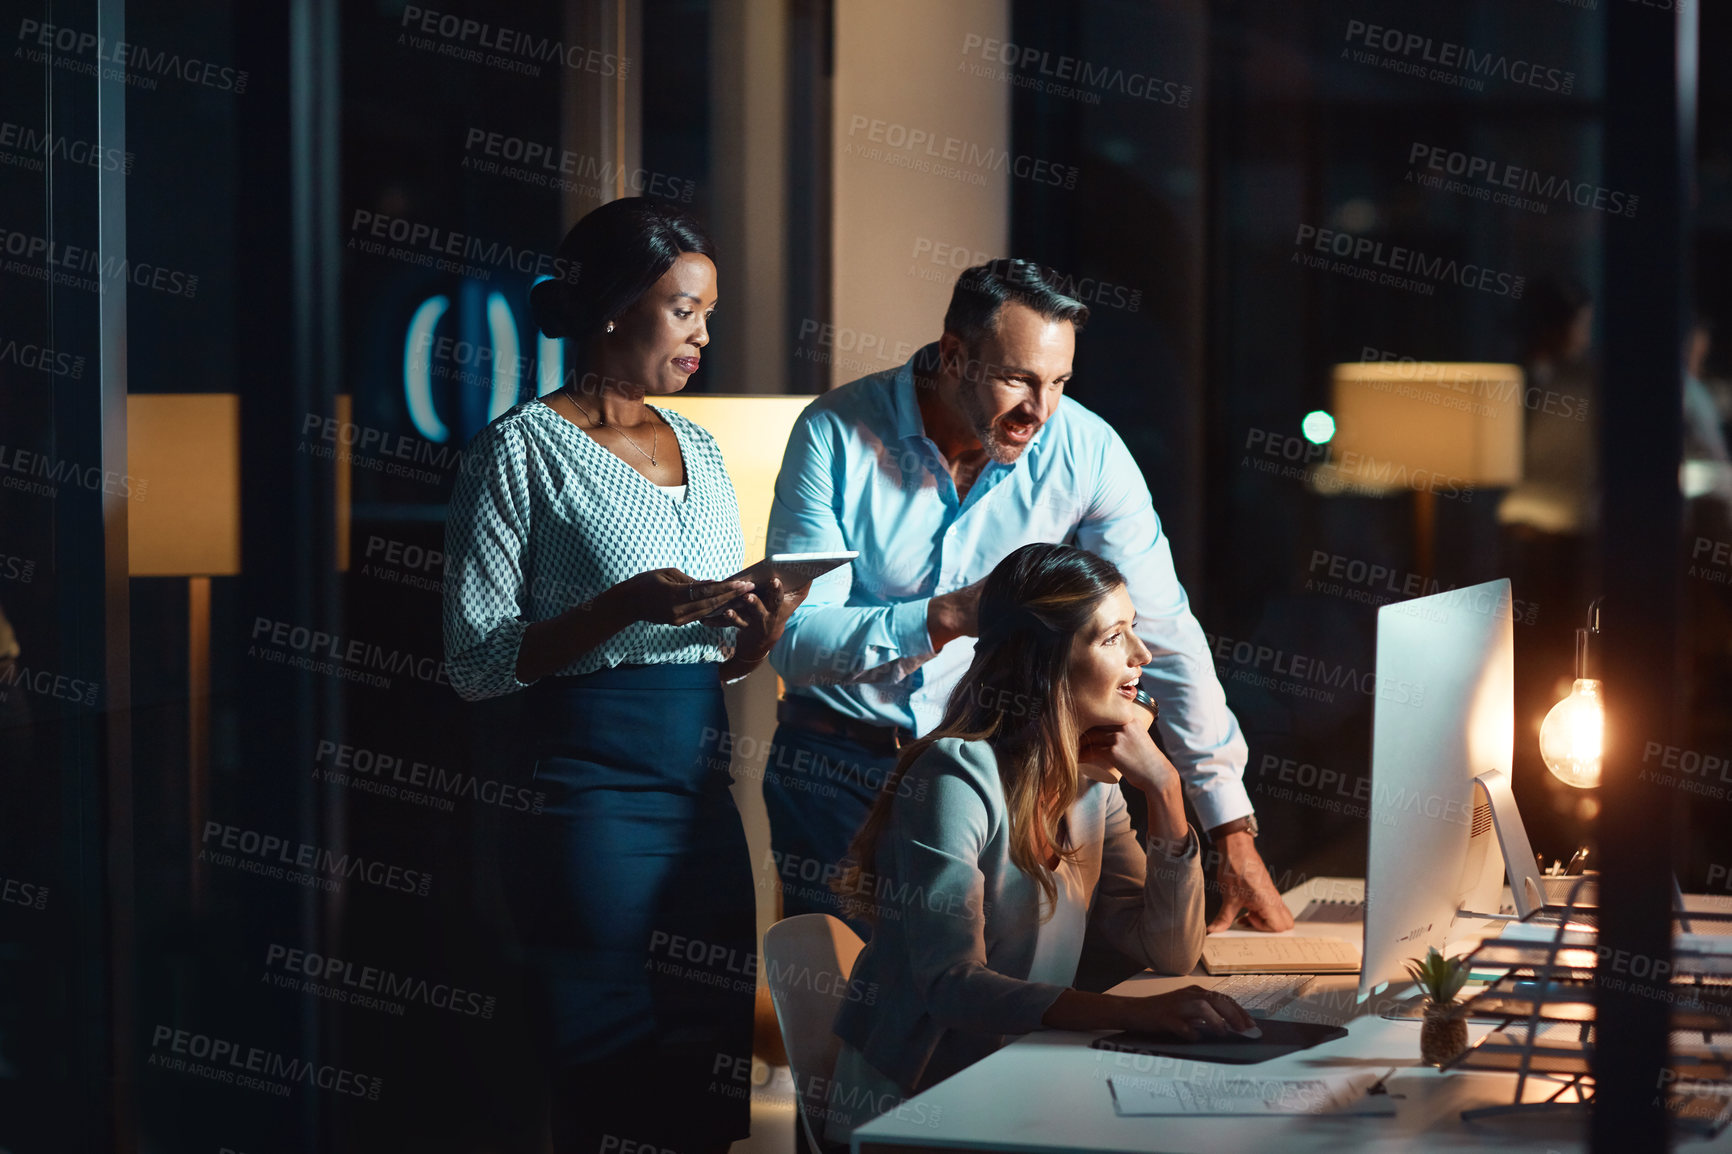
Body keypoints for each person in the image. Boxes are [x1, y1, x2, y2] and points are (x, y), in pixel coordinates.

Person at [762, 259, 1291, 936]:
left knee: (980, 1011)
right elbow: (798, 646)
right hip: (836, 774)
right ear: (955, 356)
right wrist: (948, 615)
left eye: (1059, 382)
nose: (1039, 411)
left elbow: (1165, 633)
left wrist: (1231, 827)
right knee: (852, 1014)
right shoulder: (833, 434)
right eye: (1018, 379)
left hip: (987, 774)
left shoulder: (1086, 450)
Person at [443, 197, 799, 1154]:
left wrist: (754, 639)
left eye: (710, 314)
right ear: (611, 309)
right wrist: (618, 606)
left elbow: (703, 650)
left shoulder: (706, 448)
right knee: (608, 1072)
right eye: (684, 310)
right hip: (586, 802)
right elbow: (476, 663)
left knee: (709, 1055)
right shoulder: (517, 452)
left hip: (702, 799)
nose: (702, 335)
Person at [817, 543, 1254, 1143]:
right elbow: (951, 987)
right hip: (915, 1110)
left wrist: (1168, 792)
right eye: (1112, 638)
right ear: (1042, 663)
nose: (1142, 655)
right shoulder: (954, 777)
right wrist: (1130, 1013)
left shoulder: (1091, 783)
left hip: (1017, 1082)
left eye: (1135, 632)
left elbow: (1172, 952)